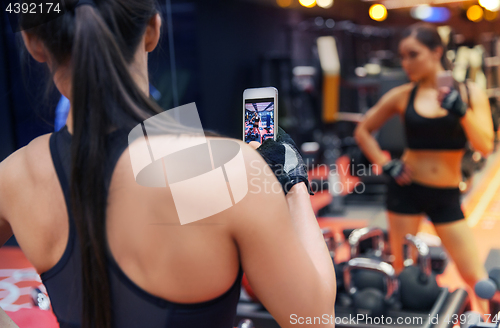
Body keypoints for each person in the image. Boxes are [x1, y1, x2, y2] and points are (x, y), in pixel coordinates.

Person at [0, 1, 335, 327]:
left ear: (33, 43)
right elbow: (315, 319)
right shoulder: (224, 168)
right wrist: (293, 184)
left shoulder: (17, 174)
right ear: (152, 30)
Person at [354, 23, 493, 311]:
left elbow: (486, 146)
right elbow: (363, 131)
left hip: (446, 196)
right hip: (406, 190)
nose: (406, 63)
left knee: (475, 275)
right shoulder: (404, 95)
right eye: (402, 56)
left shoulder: (469, 93)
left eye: (412, 54)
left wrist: (461, 112)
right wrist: (385, 164)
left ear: (436, 52)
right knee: (404, 274)